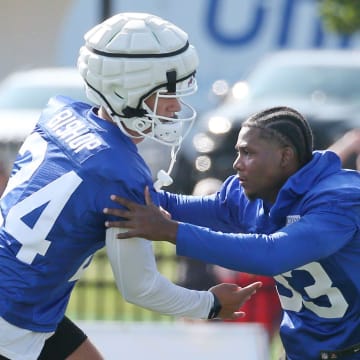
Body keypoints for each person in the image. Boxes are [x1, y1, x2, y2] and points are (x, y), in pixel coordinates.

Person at [0, 12, 261, 360]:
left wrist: (218, 209)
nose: (178, 105)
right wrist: (210, 304)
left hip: (22, 293)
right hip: (14, 316)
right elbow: (140, 288)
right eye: (169, 91)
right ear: (129, 90)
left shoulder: (62, 114)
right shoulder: (119, 173)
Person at [104, 106, 360, 360]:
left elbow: (273, 253)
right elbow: (174, 205)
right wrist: (115, 189)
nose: (237, 164)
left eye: (248, 153)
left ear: (285, 157)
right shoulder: (253, 196)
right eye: (239, 152)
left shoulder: (339, 199)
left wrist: (171, 231)